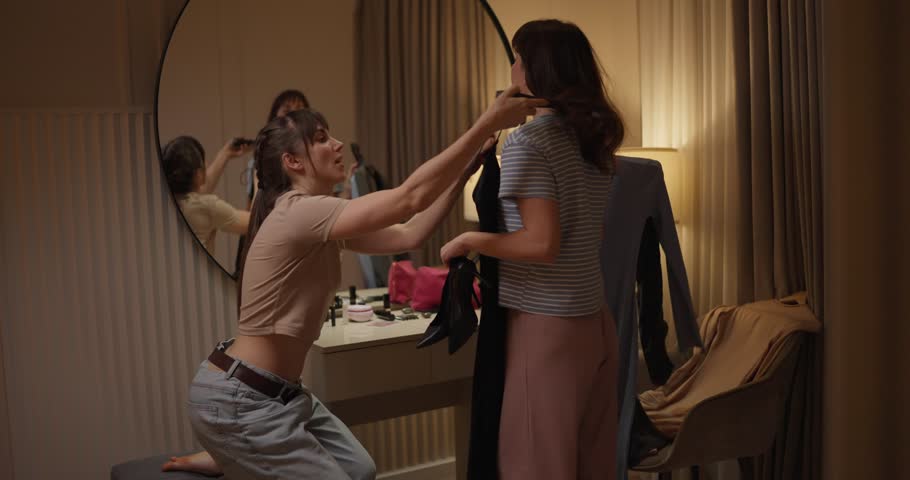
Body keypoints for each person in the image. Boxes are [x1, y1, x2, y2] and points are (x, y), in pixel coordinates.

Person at [162, 86, 543, 479]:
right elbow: (408, 197)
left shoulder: (320, 224)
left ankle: (230, 453)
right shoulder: (298, 213)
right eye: (322, 138)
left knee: (361, 469)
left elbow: (409, 233)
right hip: (244, 398)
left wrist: (465, 170)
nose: (338, 144)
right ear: (292, 161)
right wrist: (487, 122)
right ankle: (232, 448)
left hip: (280, 394)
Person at [440, 19, 625, 480]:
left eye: (518, 58)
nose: (512, 67)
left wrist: (471, 241)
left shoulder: (530, 141)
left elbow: (542, 243)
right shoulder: (591, 140)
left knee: (534, 467)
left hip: (546, 329)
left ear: (536, 69)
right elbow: (592, 234)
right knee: (591, 466)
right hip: (596, 323)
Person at [162, 136, 252, 255]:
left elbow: (200, 189)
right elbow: (252, 222)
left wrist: (225, 154)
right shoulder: (206, 206)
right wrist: (257, 181)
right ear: (198, 174)